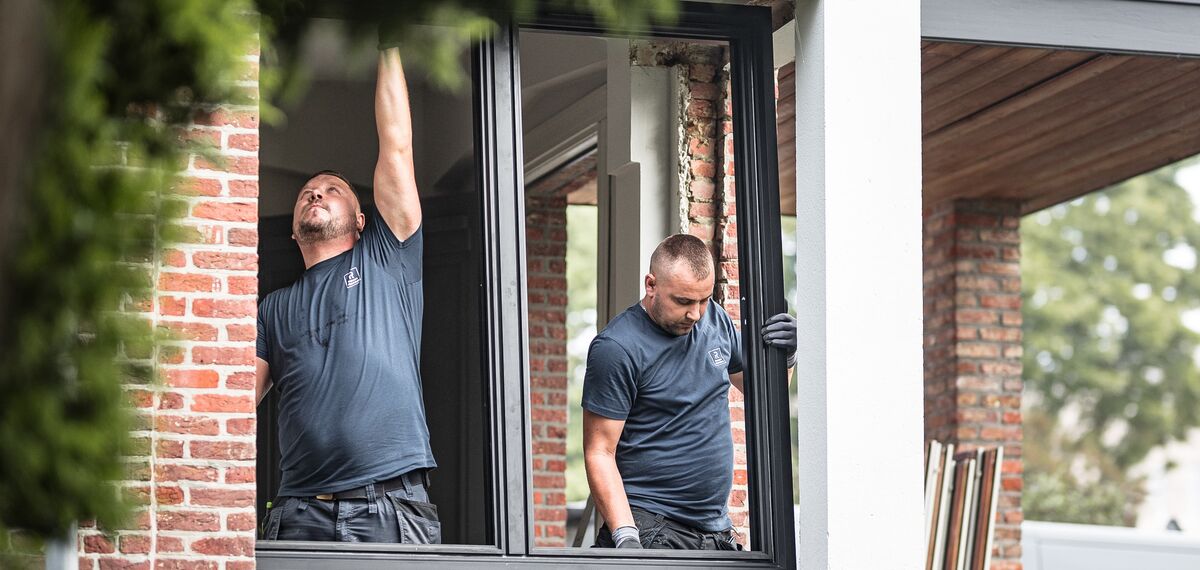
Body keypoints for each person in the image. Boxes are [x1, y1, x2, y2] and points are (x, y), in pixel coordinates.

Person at [255, 46, 440, 544]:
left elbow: (396, 145)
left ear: (362, 221)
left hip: (389, 508)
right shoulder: (272, 310)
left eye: (332, 189)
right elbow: (229, 403)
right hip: (298, 514)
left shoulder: (386, 257)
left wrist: (388, 42)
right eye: (306, 192)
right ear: (294, 233)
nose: (315, 192)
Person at [582, 234, 797, 550]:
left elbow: (764, 398)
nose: (695, 314)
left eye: (704, 300)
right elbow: (599, 451)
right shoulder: (617, 348)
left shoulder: (716, 320)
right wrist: (626, 536)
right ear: (651, 285)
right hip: (652, 527)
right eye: (683, 301)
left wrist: (787, 357)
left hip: (714, 532)